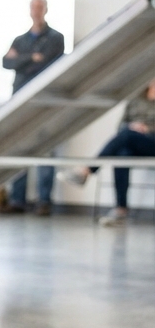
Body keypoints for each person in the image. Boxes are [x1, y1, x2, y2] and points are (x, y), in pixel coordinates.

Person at [58, 79, 155, 226]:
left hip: (152, 143)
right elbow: (121, 126)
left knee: (127, 134)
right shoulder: (136, 100)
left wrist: (146, 128)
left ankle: (86, 170)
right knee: (122, 155)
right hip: (133, 142)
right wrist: (133, 127)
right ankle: (121, 210)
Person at [2, 0, 65, 215]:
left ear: (46, 10)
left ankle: (44, 200)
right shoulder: (20, 40)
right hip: (20, 99)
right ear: (30, 10)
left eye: (40, 7)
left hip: (44, 101)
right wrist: (32, 58)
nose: (36, 11)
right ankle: (17, 199)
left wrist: (21, 60)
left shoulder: (56, 38)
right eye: (33, 7)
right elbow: (6, 62)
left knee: (45, 148)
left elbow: (49, 63)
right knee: (19, 148)